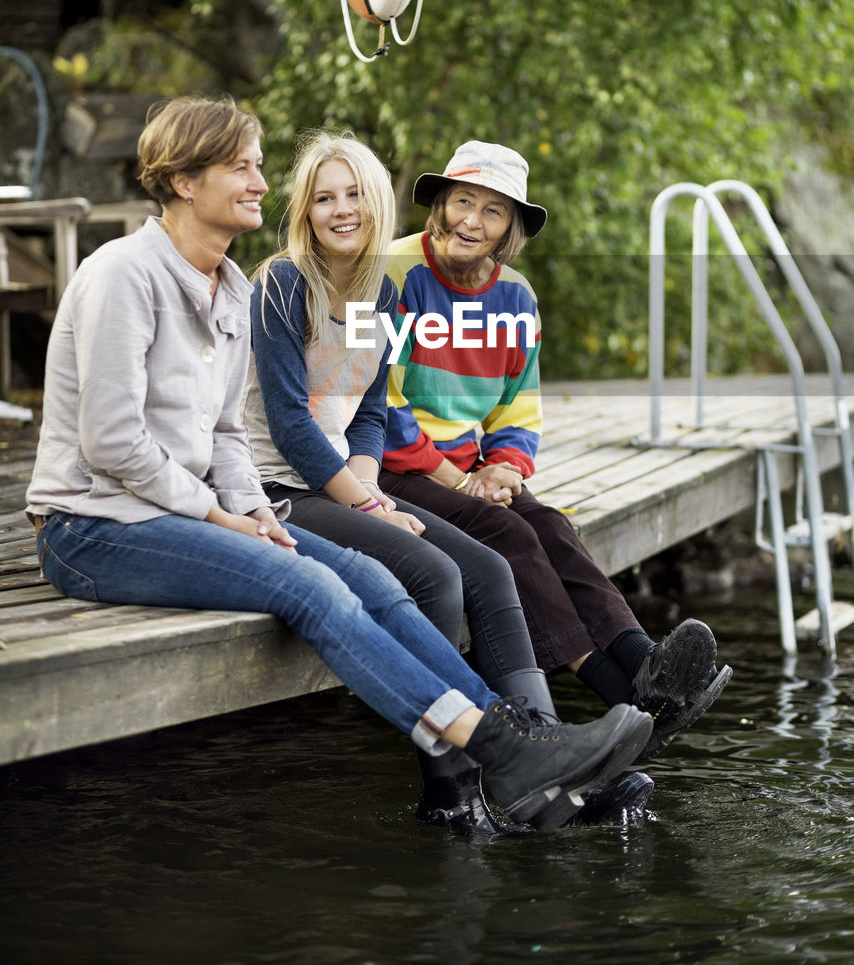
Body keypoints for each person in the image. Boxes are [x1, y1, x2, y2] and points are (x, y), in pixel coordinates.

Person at [24, 97, 653, 837]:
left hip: (199, 508)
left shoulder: (228, 286)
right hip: (94, 527)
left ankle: (526, 756)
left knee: (383, 579)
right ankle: (497, 749)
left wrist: (249, 509)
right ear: (186, 181)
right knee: (312, 582)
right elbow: (113, 445)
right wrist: (230, 512)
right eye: (243, 167)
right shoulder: (128, 277)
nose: (263, 183)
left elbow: (237, 429)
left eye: (260, 167)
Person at [241, 130, 653, 834]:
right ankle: (450, 791)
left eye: (354, 197)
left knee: (491, 569)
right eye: (323, 198)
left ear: (376, 206)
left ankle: (547, 762)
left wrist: (372, 491)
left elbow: (368, 411)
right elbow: (292, 427)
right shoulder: (284, 282)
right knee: (437, 574)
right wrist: (373, 505)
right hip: (278, 488)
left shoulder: (374, 289)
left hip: (342, 481)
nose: (341, 211)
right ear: (303, 210)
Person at [379, 141, 733, 755]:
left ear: (510, 229)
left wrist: (505, 468)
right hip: (389, 469)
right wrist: (456, 479)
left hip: (470, 469)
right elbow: (377, 404)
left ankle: (644, 664)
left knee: (551, 526)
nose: (471, 221)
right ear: (439, 204)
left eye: (493, 212)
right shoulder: (390, 272)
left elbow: (518, 407)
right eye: (462, 201)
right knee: (511, 537)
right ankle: (623, 702)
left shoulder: (515, 296)